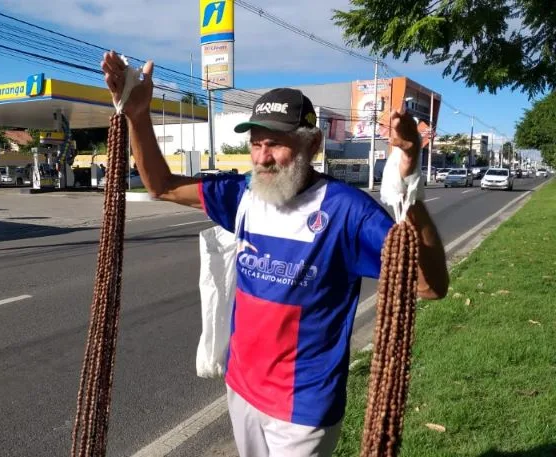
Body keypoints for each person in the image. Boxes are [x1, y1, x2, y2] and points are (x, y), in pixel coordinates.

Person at [102, 52, 449, 457]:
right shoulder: (244, 194)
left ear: (312, 143)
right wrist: (137, 115)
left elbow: (430, 286)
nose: (264, 157)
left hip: (302, 410)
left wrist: (408, 180)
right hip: (241, 389)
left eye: (277, 144)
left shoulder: (347, 211)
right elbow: (161, 185)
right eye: (256, 144)